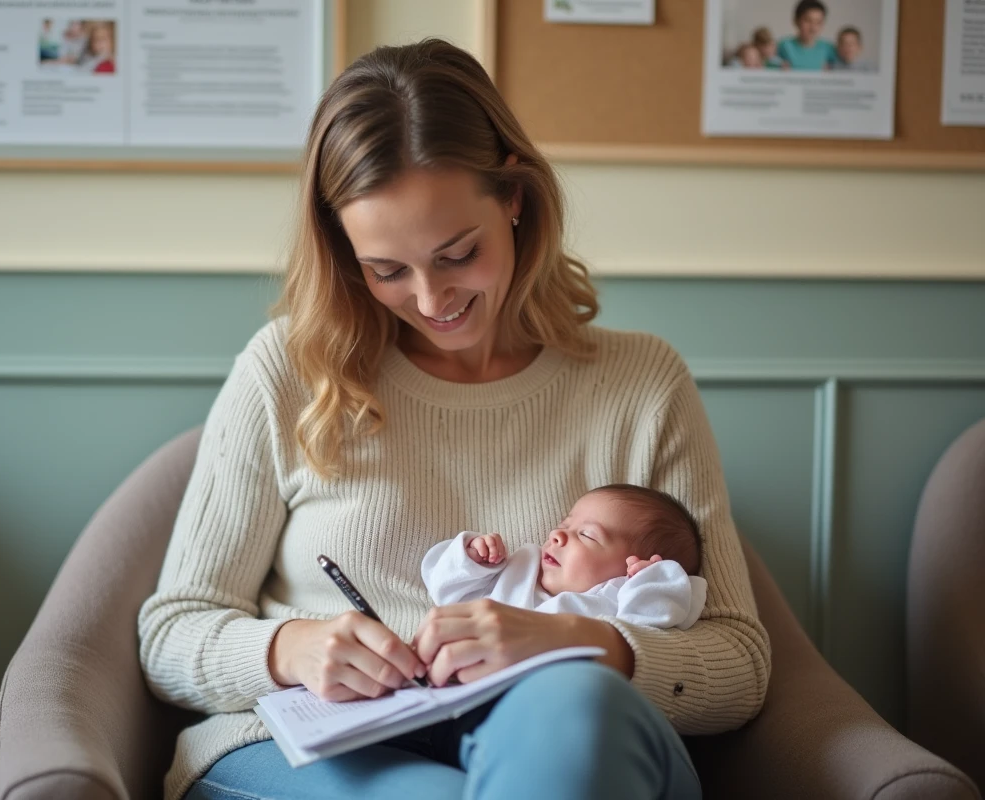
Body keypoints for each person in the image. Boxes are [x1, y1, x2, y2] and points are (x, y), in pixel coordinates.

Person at [138, 38, 770, 800]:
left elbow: (738, 663)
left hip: (555, 744)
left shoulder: (642, 384)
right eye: (387, 271)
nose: (433, 301)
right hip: (311, 750)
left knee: (574, 705)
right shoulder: (287, 369)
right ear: (345, 252)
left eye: (457, 253)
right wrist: (293, 649)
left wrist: (577, 643)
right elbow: (172, 633)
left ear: (514, 197)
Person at [422, 484, 708, 641]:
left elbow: (651, 628)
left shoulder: (618, 602)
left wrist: (652, 582)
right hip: (453, 694)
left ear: (630, 569)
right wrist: (472, 560)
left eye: (585, 535)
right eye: (564, 524)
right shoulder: (518, 572)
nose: (557, 535)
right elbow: (446, 592)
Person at [777, 0, 838, 70]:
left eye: (818, 22)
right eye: (808, 21)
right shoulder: (783, 46)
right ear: (796, 21)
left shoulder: (829, 49)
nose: (813, 28)